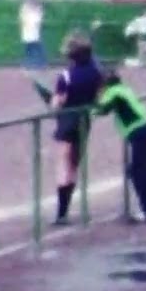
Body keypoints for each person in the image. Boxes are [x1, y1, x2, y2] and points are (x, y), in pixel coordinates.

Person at [48, 32, 104, 225]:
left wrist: (52, 100)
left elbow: (57, 103)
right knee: (73, 164)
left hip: (67, 121)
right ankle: (65, 209)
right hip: (84, 120)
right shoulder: (96, 73)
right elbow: (98, 97)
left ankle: (61, 213)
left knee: (63, 165)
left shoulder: (66, 76)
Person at [95, 69, 146, 221]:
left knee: (139, 171)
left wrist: (92, 107)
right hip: (145, 129)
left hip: (138, 131)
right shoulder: (124, 89)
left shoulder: (113, 92)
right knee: (143, 169)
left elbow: (102, 109)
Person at [19, 0, 45, 69]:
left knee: (38, 48)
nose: (30, 0)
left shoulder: (38, 8)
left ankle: (41, 64)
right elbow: (22, 18)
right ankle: (28, 64)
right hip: (27, 30)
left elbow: (39, 18)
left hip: (35, 30)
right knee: (28, 48)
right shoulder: (24, 7)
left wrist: (38, 24)